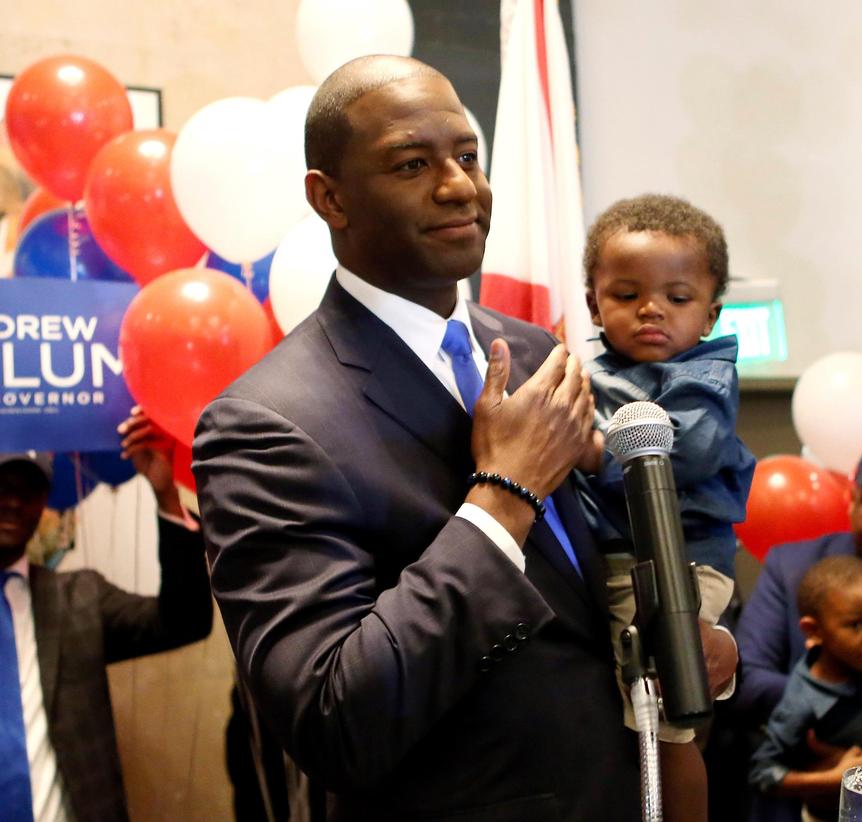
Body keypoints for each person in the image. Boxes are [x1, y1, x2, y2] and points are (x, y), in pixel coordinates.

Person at [192, 56, 735, 821]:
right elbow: (333, 720)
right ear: (331, 198)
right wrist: (502, 498)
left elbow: (590, 588)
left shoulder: (534, 351)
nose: (460, 186)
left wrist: (700, 636)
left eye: (468, 156)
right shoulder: (268, 422)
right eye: (413, 164)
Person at [575, 193, 757, 820]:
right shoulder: (582, 370)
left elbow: (693, 452)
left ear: (709, 313)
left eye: (677, 299)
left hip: (677, 563)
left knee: (661, 716)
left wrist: (593, 452)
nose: (651, 310)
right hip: (611, 558)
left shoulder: (705, 375)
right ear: (595, 300)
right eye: (626, 295)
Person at [0, 408, 212, 821]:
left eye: (28, 488)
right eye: (0, 484)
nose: (12, 500)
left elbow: (184, 621)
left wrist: (166, 497)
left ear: (44, 500)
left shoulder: (77, 597)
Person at [731, 438, 862, 822]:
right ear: (852, 501)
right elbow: (750, 682)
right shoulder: (793, 569)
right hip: (799, 794)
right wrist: (828, 718)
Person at [748, 555, 862, 822]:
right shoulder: (803, 701)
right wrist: (832, 779)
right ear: (813, 630)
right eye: (856, 624)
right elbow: (762, 773)